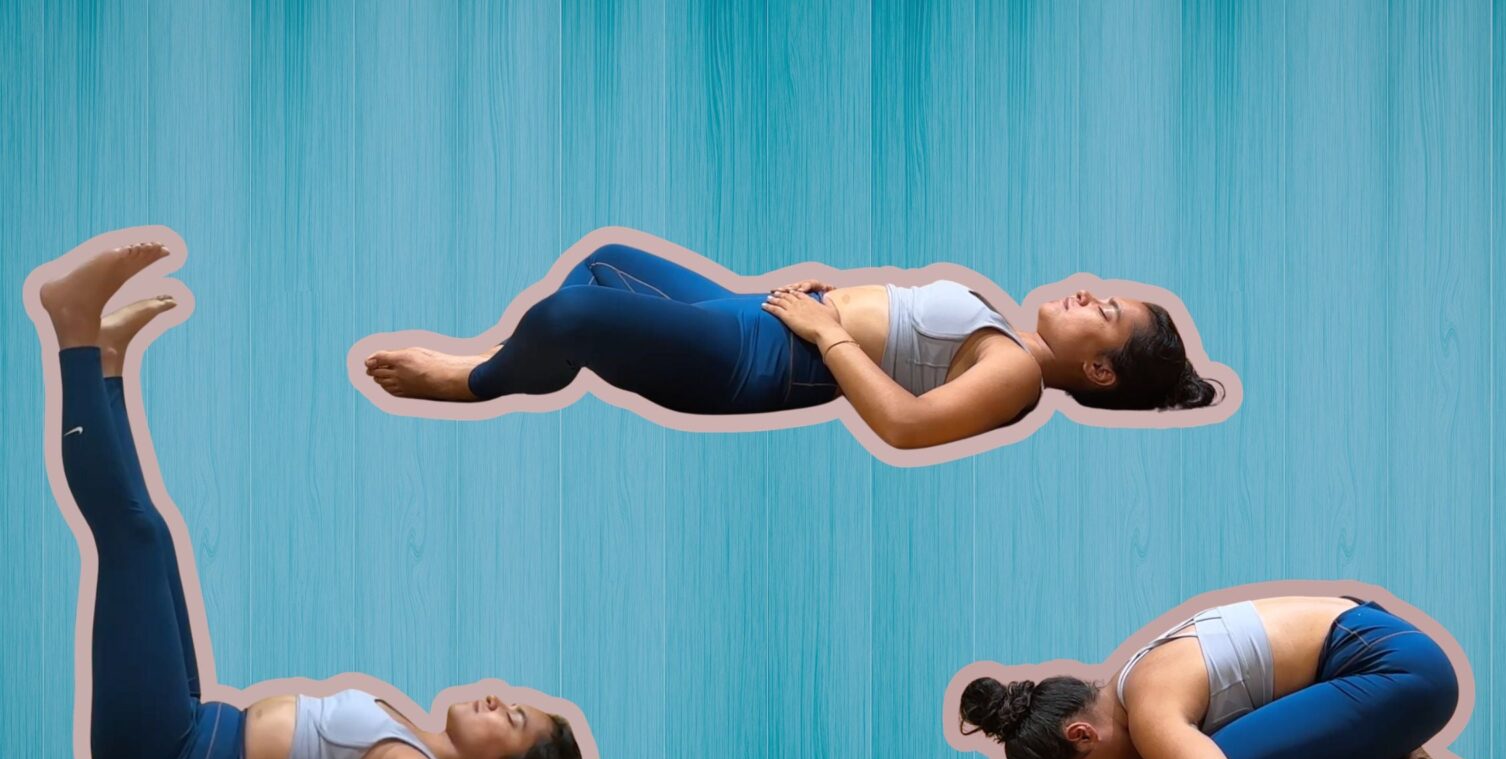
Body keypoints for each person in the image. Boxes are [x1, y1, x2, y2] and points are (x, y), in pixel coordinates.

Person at [35, 243, 609, 759]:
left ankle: (72, 327)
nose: (501, 700)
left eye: (513, 720)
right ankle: (105, 363)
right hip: (192, 722)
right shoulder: (408, 731)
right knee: (156, 536)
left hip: (165, 757)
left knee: (132, 537)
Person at [363, 243, 1220, 449]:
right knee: (605, 264)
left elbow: (908, 426)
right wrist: (827, 293)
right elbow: (903, 323)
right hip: (754, 317)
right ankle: (533, 370)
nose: (1085, 294)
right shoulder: (997, 318)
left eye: (1102, 313)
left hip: (752, 363)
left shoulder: (1016, 378)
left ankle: (477, 380)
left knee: (570, 317)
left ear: (1099, 371)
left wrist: (827, 329)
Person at [958, 596, 1506, 759]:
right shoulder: (1142, 670)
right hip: (1391, 653)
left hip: (1397, 671)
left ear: (1081, 734)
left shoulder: (1150, 711)